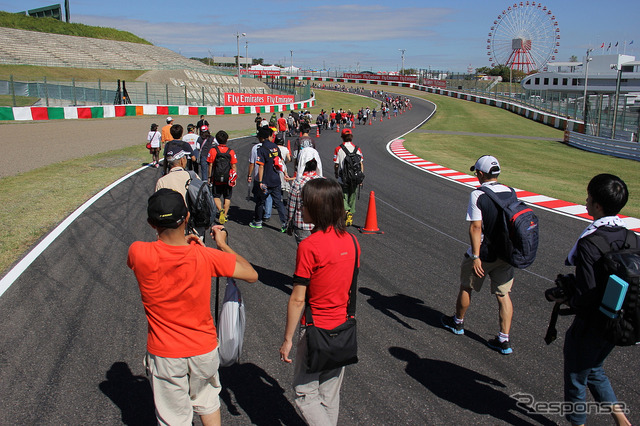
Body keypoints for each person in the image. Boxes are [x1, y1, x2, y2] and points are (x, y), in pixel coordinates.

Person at [128, 188, 258, 426]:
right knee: (208, 402)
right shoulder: (204, 256)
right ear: (187, 217)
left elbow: (161, 251)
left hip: (165, 352)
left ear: (151, 224)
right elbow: (251, 274)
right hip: (203, 347)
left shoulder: (138, 252)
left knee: (174, 418)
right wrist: (221, 244)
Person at [279, 178, 361, 425]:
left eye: (305, 203)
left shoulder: (309, 246)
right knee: (329, 393)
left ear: (317, 208)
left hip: (316, 330)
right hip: (344, 327)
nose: (301, 208)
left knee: (305, 394)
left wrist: (287, 339)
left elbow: (297, 299)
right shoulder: (353, 242)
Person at [562, 174, 636, 426]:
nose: (586, 200)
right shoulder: (632, 238)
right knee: (594, 369)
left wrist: (567, 295)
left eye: (589, 196)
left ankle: (577, 422)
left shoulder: (590, 242)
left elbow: (586, 294)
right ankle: (622, 421)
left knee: (575, 375)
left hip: (593, 323)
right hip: (623, 320)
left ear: (598, 206)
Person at [441, 155, 516, 355]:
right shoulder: (511, 192)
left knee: (467, 286)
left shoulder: (478, 194)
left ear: (481, 174)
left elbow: (475, 227)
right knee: (503, 294)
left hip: (484, 252)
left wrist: (476, 256)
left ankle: (458, 323)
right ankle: (504, 339)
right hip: (506, 253)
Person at [249, 126, 288, 231]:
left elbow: (261, 166)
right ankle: (285, 223)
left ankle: (258, 221)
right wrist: (284, 173)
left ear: (261, 138)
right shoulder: (275, 147)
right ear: (269, 136)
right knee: (278, 202)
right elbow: (280, 162)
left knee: (260, 201)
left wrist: (260, 181)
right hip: (276, 179)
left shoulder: (261, 149)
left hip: (265, 180)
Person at [286, 158, 323, 244]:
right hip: (320, 224)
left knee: (304, 251)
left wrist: (288, 223)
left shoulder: (298, 182)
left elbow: (291, 206)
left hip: (302, 224)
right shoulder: (323, 181)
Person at [333, 129, 364, 226]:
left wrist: (336, 173)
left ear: (342, 137)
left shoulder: (338, 149)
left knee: (343, 195)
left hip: (344, 177)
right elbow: (361, 164)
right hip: (355, 177)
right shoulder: (357, 149)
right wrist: (360, 177)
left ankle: (346, 212)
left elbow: (336, 164)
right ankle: (350, 213)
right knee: (352, 195)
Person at [207, 131, 237, 224]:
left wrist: (209, 176)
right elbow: (234, 166)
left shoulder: (213, 150)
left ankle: (220, 210)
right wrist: (234, 177)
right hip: (228, 177)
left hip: (217, 176)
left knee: (216, 196)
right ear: (226, 140)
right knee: (227, 197)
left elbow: (210, 164)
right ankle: (225, 215)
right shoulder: (231, 151)